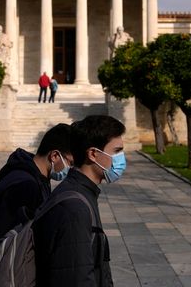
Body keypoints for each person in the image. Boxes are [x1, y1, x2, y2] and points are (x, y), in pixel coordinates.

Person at [33, 115, 127, 287]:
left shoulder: (82, 193)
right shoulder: (74, 208)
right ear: (93, 154)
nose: (122, 158)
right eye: (116, 151)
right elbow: (75, 277)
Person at [0, 124, 74, 249]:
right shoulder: (26, 185)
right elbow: (8, 239)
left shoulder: (37, 177)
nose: (70, 169)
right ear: (54, 156)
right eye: (70, 163)